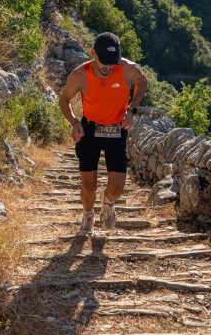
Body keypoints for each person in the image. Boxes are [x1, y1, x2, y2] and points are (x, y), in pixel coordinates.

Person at [58, 32, 148, 236]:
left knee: (116, 190)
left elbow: (143, 82)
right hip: (89, 131)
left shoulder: (128, 69)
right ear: (93, 54)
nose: (108, 67)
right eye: (104, 62)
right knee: (89, 187)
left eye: (112, 62)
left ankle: (107, 203)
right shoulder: (80, 75)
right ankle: (88, 215)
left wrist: (131, 109)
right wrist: (73, 122)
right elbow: (64, 99)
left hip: (117, 130)